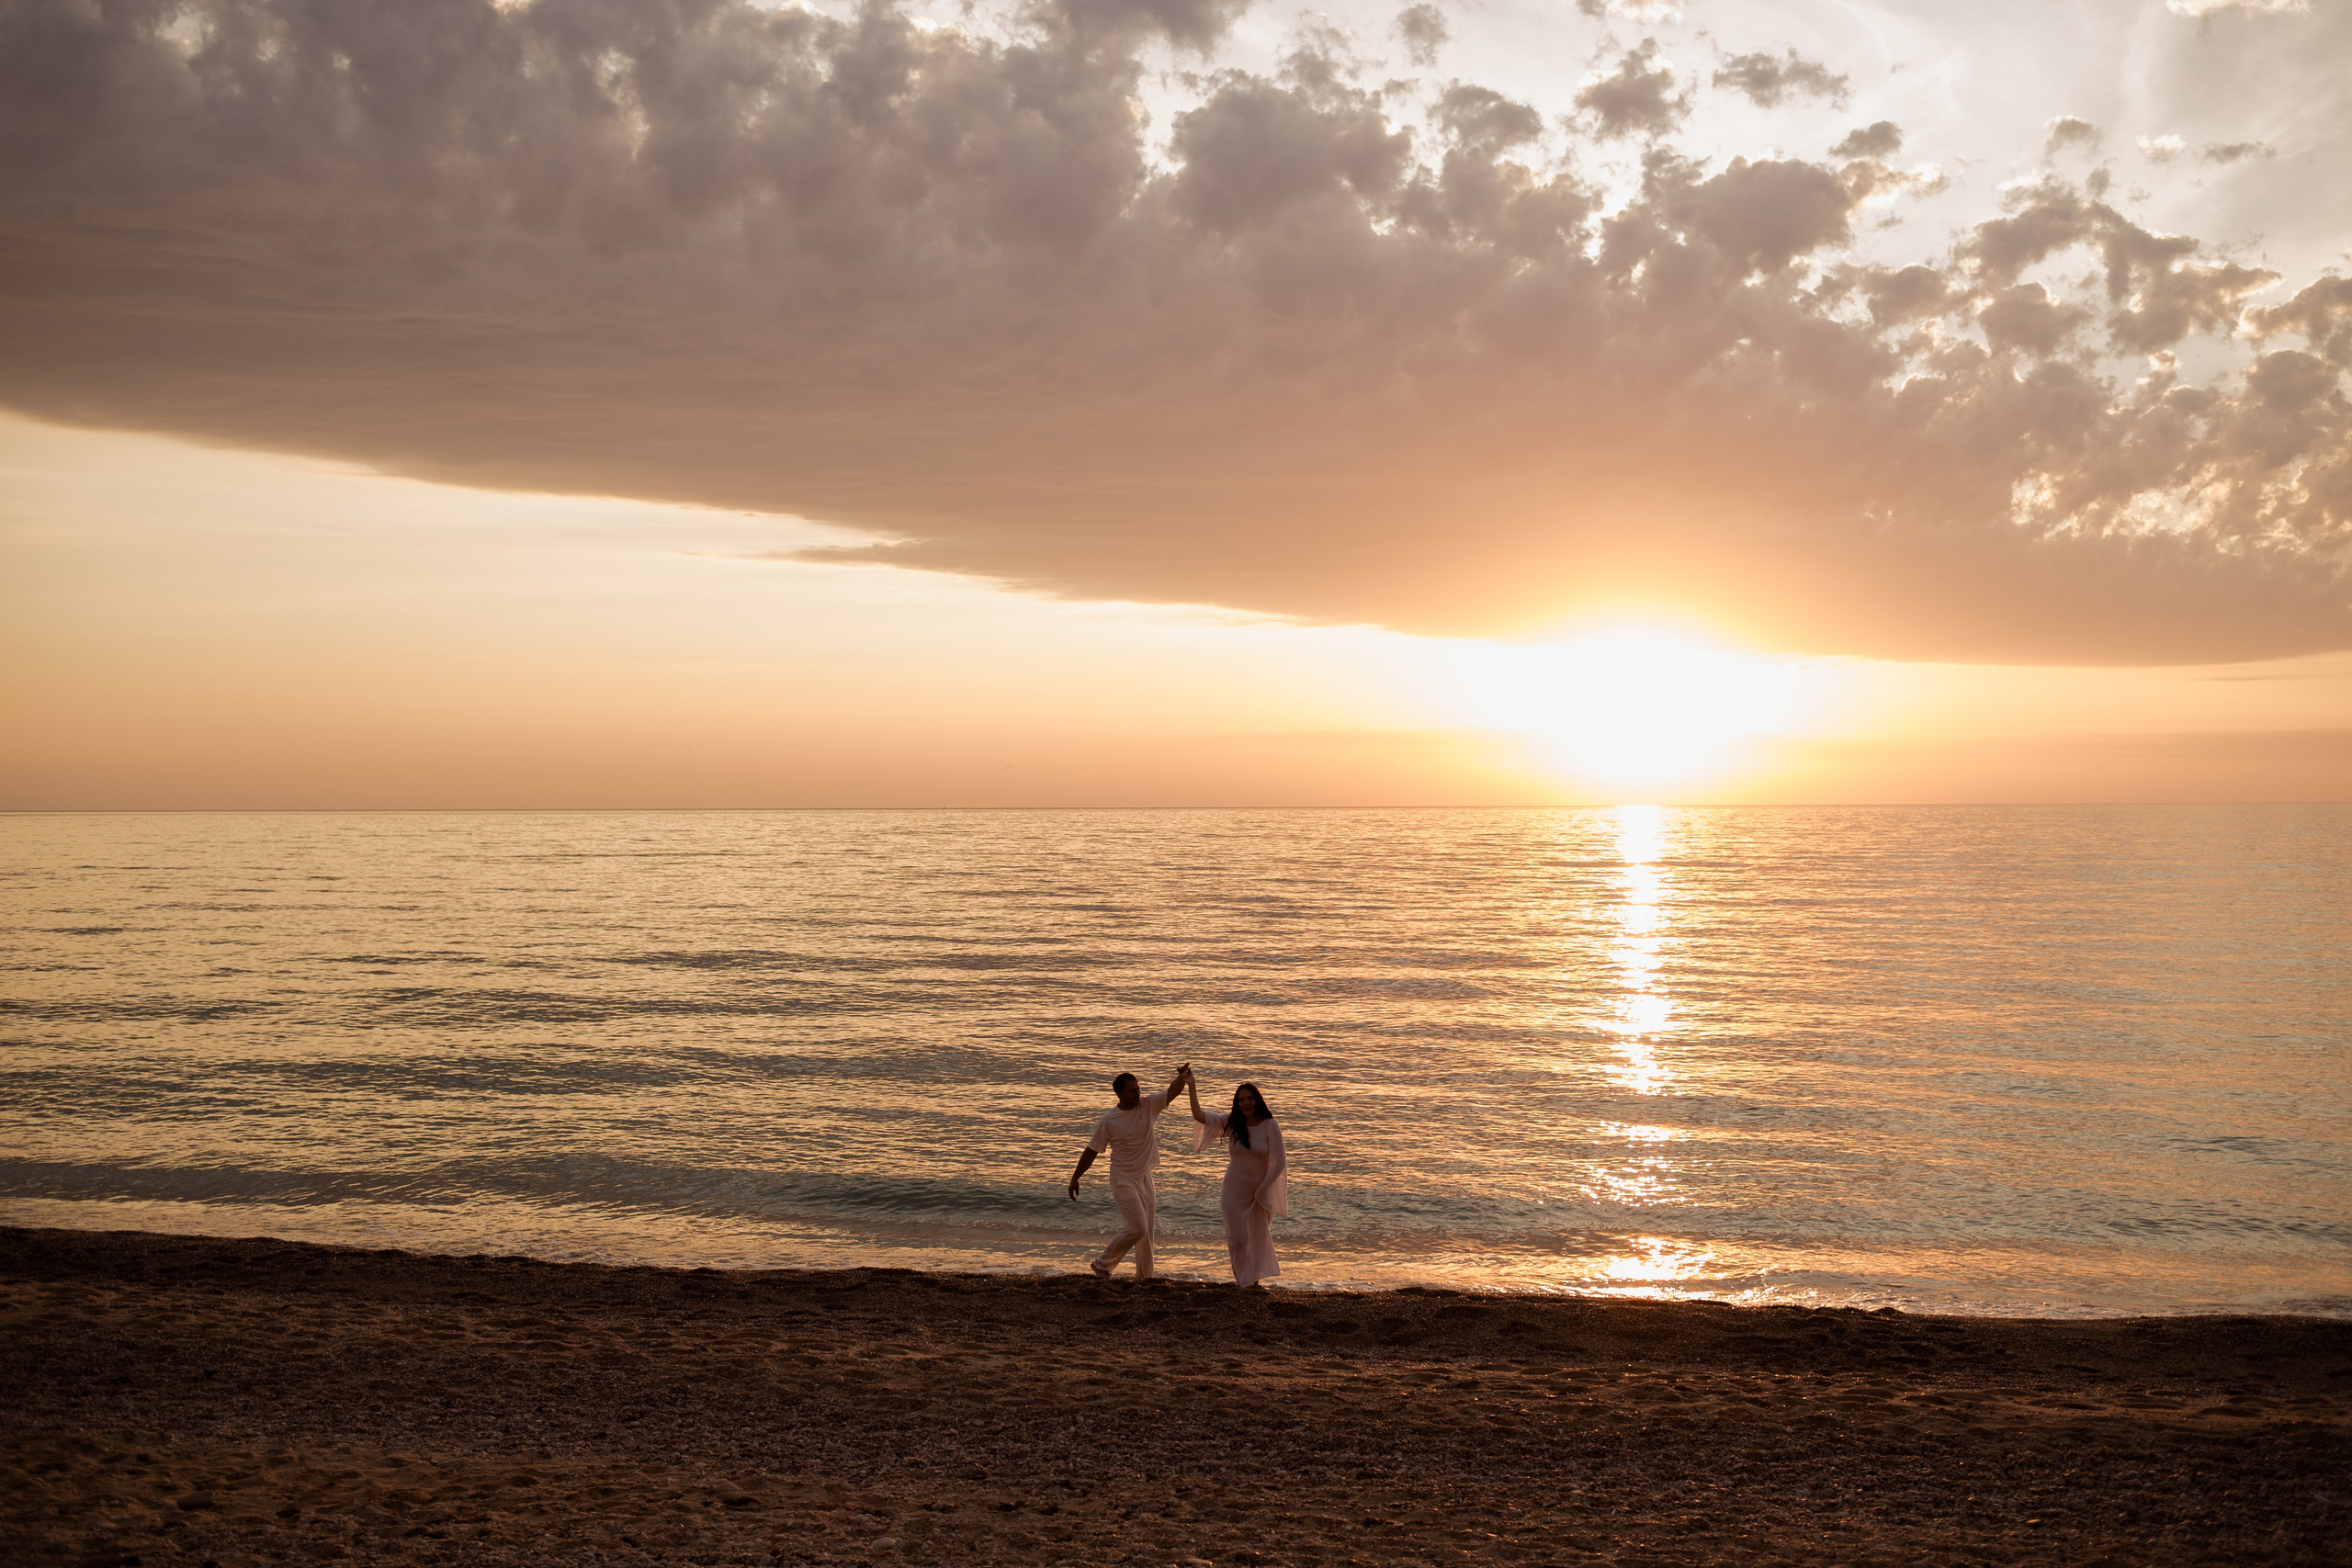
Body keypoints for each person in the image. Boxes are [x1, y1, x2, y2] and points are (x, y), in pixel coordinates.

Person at [1068, 1062, 1191, 1280]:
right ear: (1119, 1093)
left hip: (1145, 1177)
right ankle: (1102, 1264)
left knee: (1147, 1233)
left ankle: (1145, 1276)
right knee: (1137, 1227)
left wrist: (1182, 1078)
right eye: (1132, 1091)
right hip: (1122, 1179)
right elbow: (1092, 1150)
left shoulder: (1148, 1106)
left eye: (1139, 1088)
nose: (1138, 1094)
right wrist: (1076, 1177)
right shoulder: (1109, 1120)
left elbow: (1172, 1092)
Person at [1185, 1073, 1288, 1287]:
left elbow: (1280, 1164)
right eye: (1241, 1100)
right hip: (1234, 1191)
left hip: (1261, 1193)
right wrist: (1192, 1086)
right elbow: (1199, 1115)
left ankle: (1253, 1282)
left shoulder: (1271, 1125)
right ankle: (1244, 1282)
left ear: (1257, 1099)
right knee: (1238, 1240)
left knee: (1258, 1240)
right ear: (1237, 1103)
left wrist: (1262, 1189)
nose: (1246, 1103)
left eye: (1249, 1098)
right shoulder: (1231, 1122)